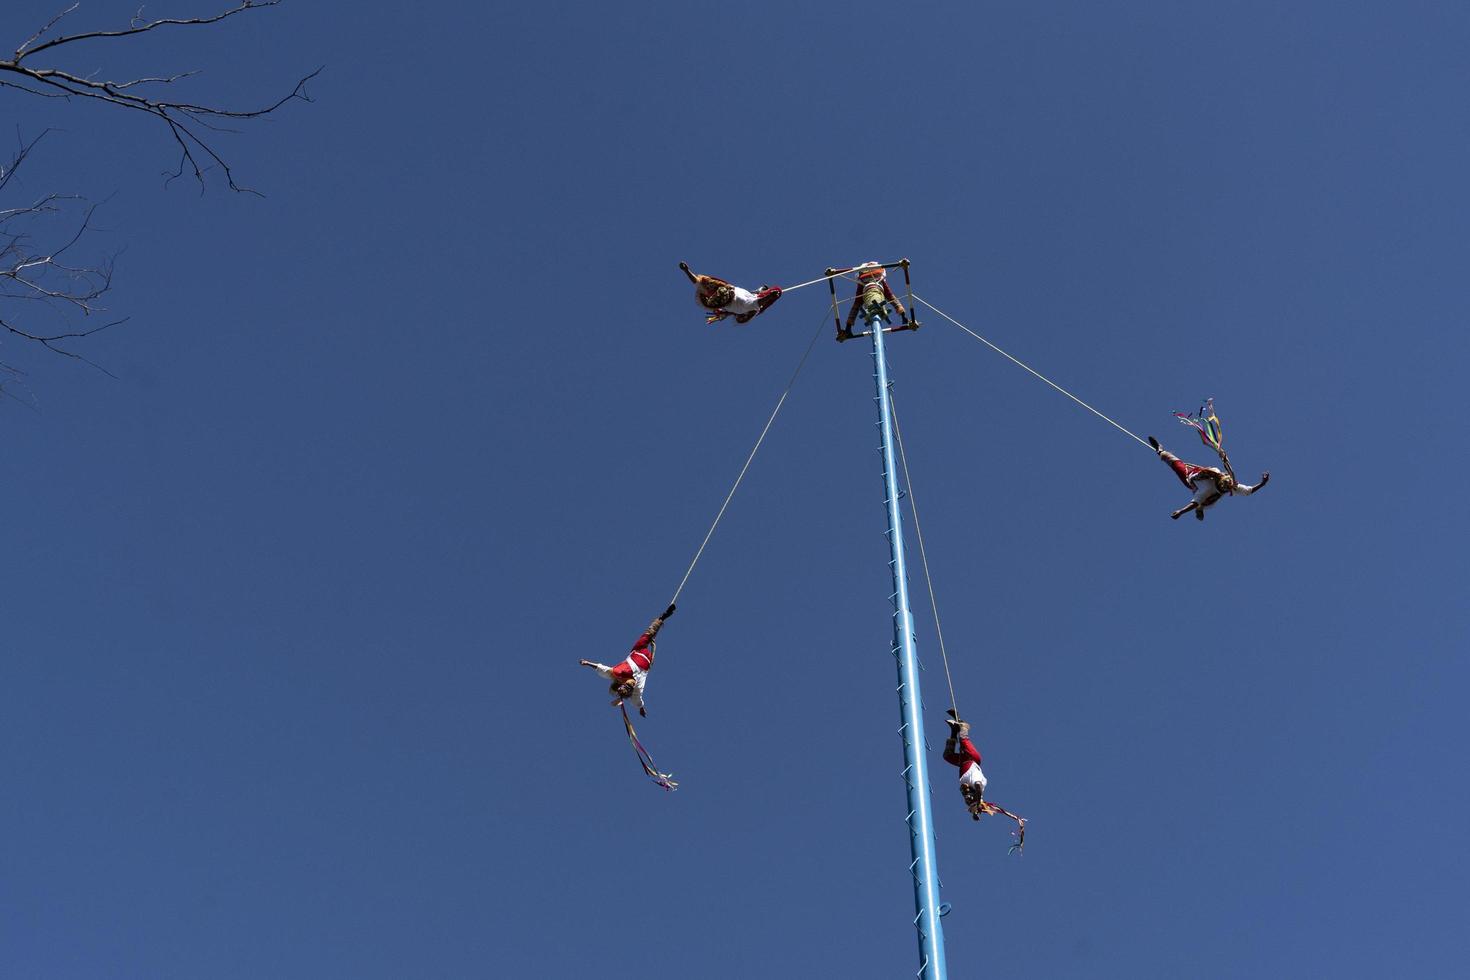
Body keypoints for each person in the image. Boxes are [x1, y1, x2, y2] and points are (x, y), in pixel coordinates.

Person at [579, 604, 675, 717]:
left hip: (637, 652)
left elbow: (602, 668)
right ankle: (660, 621)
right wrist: (641, 708)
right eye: (629, 687)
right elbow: (637, 701)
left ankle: (662, 618)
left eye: (626, 686)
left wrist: (587, 663)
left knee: (649, 634)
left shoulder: (618, 673)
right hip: (646, 663)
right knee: (649, 635)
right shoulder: (637, 688)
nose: (630, 685)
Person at [1148, 436, 1270, 521]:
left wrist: (1181, 512)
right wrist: (1262, 483)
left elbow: (1193, 503)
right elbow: (1248, 490)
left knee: (1167, 458)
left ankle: (1201, 510)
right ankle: (1160, 449)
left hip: (1190, 480)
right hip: (1197, 474)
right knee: (1167, 456)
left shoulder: (1208, 490)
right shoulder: (1224, 477)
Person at [679, 262, 782, 325]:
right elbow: (758, 303)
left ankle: (759, 292)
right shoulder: (742, 304)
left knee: (708, 285)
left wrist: (686, 270)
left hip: (743, 297)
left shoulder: (721, 289)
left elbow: (697, 282)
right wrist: (770, 296)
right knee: (776, 291)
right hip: (749, 306)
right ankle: (761, 293)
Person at [842, 261, 910, 339]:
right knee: (878, 304)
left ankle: (875, 310)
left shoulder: (862, 285)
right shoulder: (880, 282)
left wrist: (848, 327)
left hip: (872, 296)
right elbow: (892, 298)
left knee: (870, 304)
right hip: (875, 297)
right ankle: (877, 310)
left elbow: (856, 306)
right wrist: (903, 315)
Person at [942, 710, 989, 820]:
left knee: (947, 756)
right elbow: (978, 787)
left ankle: (954, 730)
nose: (965, 795)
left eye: (966, 799)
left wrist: (975, 812)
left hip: (962, 761)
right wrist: (978, 802)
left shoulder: (963, 783)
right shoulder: (978, 783)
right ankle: (963, 725)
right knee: (963, 741)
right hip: (972, 758)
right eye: (969, 798)